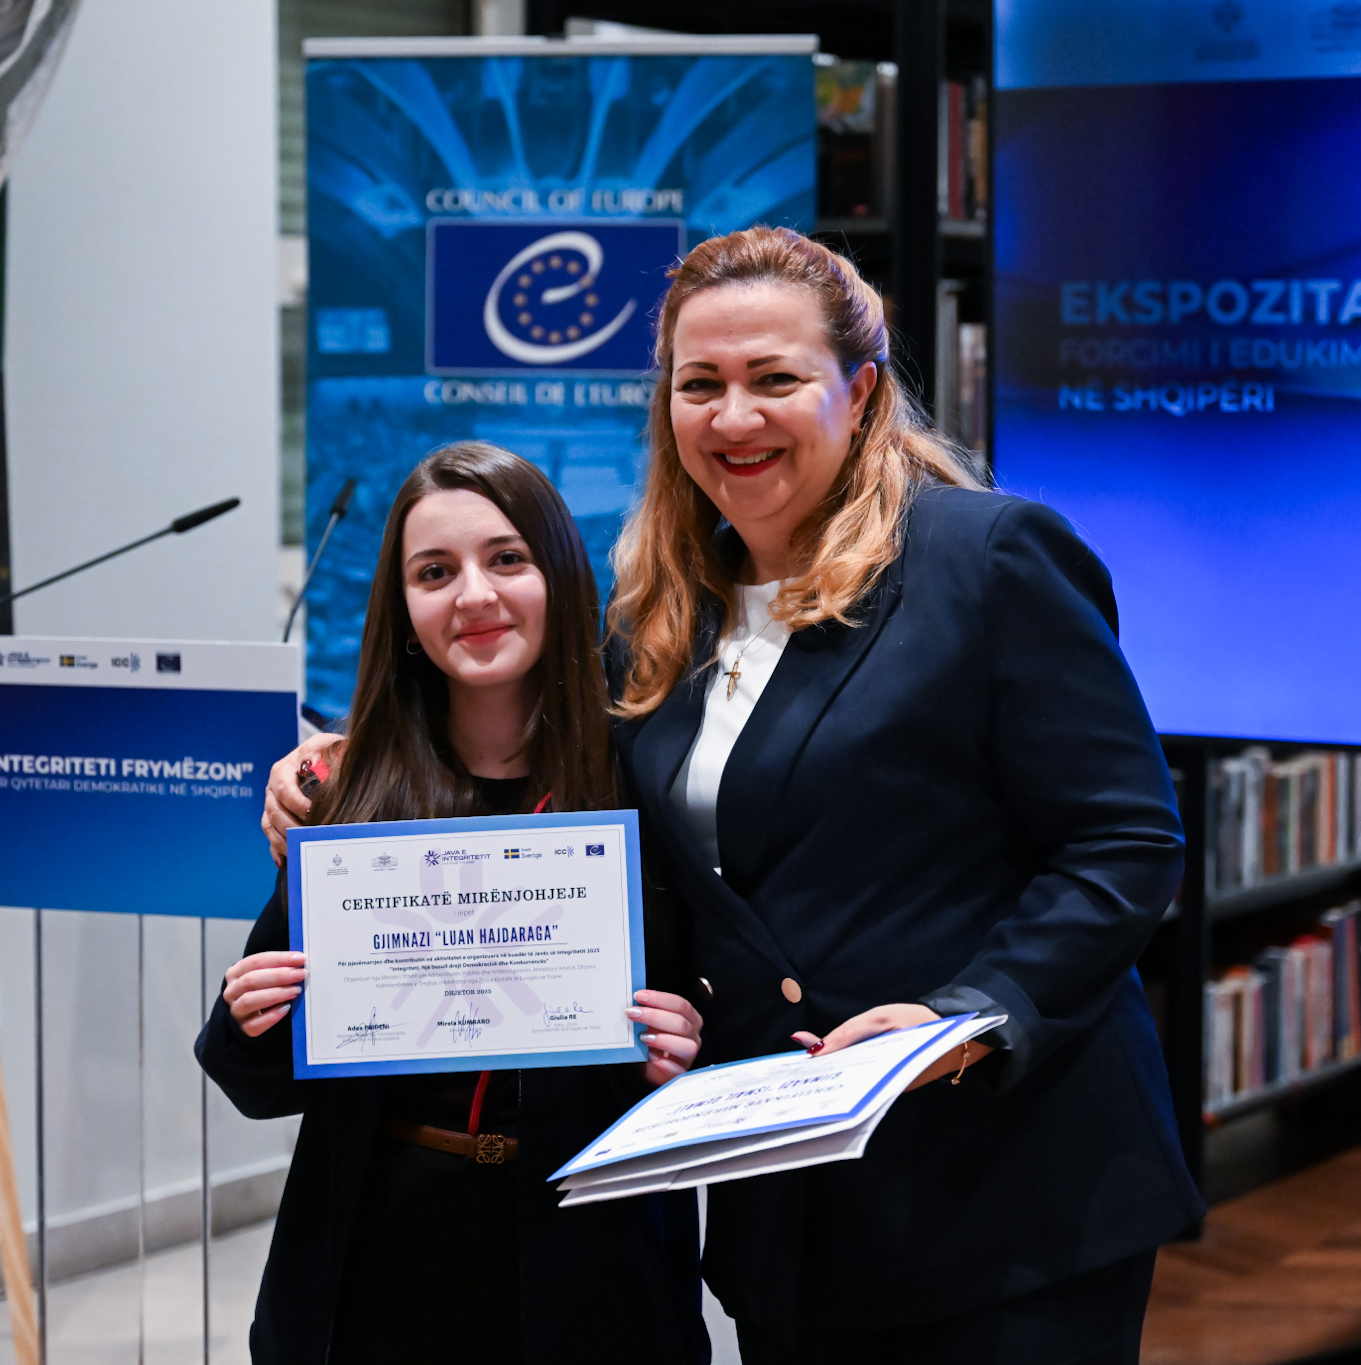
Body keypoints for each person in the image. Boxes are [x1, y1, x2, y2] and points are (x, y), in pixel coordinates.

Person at [603, 226, 1204, 1361]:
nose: (734, 416)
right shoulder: (656, 617)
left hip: (1005, 1194)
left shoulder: (985, 559)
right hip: (791, 1208)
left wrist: (966, 1015)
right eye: (701, 384)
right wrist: (328, 779)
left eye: (774, 378)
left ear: (862, 390)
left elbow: (1124, 841)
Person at [198, 442, 710, 1365]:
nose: (474, 595)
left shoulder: (647, 779)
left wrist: (687, 1046)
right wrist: (250, 1016)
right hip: (378, 1258)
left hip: (590, 1266)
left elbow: (712, 1015)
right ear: (403, 609)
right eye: (434, 572)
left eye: (506, 559)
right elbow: (256, 1081)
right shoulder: (351, 798)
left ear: (560, 577)